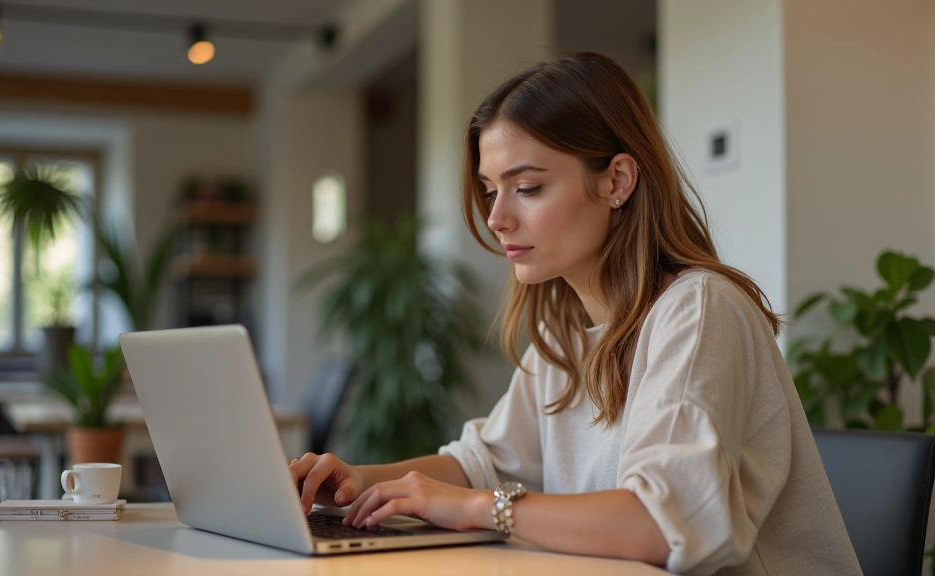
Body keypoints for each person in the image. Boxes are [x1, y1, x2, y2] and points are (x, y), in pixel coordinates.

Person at [289, 52, 861, 575]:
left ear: (616, 181)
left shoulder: (698, 309)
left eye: (528, 187)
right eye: (491, 191)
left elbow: (664, 524)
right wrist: (356, 482)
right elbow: (483, 463)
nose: (497, 218)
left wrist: (476, 509)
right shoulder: (566, 333)